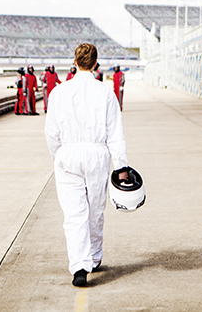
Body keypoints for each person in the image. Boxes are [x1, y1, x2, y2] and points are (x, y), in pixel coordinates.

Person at [45, 43, 128, 287]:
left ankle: (79, 267)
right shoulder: (105, 92)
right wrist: (121, 166)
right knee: (95, 210)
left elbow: (51, 132)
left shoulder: (59, 92)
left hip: (68, 153)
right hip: (96, 154)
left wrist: (57, 156)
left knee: (74, 213)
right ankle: (93, 257)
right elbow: (115, 133)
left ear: (75, 61)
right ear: (95, 64)